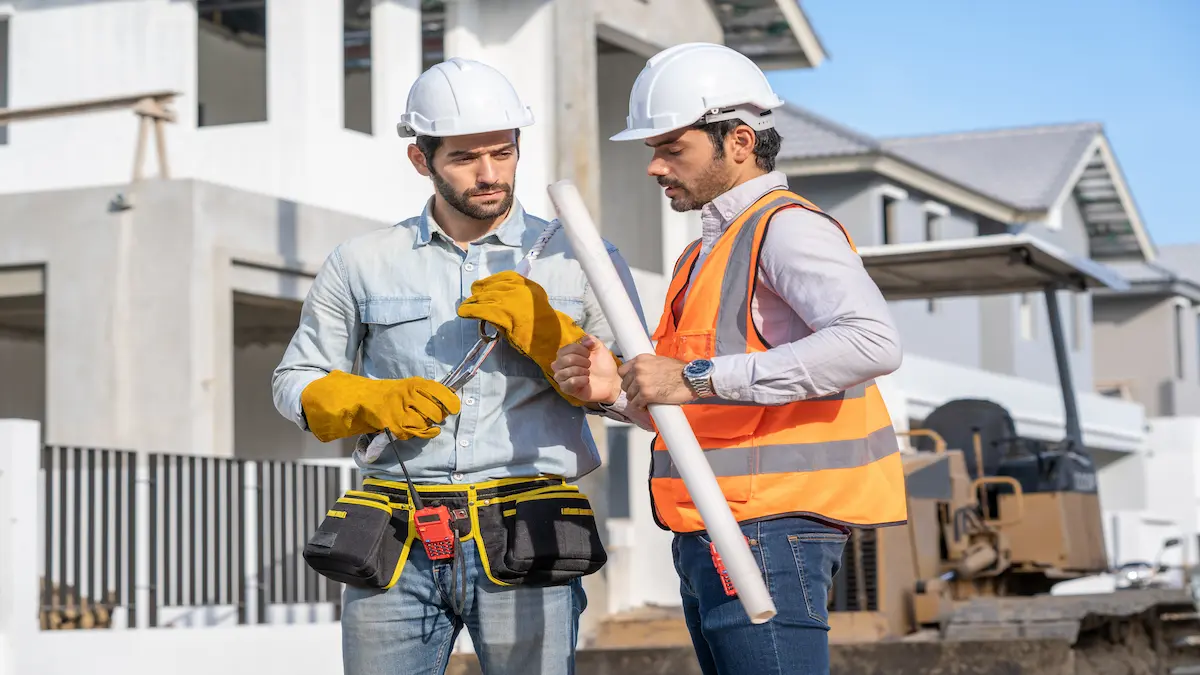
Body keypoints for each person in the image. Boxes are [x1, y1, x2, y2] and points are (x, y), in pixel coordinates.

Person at [271, 57, 644, 675]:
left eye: (503, 152)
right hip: (396, 527)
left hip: (528, 521)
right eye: (466, 158)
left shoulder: (581, 258)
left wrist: (554, 339)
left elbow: (642, 394)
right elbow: (293, 381)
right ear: (422, 160)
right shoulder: (360, 261)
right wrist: (369, 400)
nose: (490, 173)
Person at [550, 42, 908, 675]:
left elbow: (871, 341)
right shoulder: (705, 254)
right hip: (721, 525)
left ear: (740, 141)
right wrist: (616, 391)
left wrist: (689, 377)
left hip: (769, 526)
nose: (654, 167)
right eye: (652, 150)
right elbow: (703, 408)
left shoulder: (786, 227)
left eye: (672, 148)